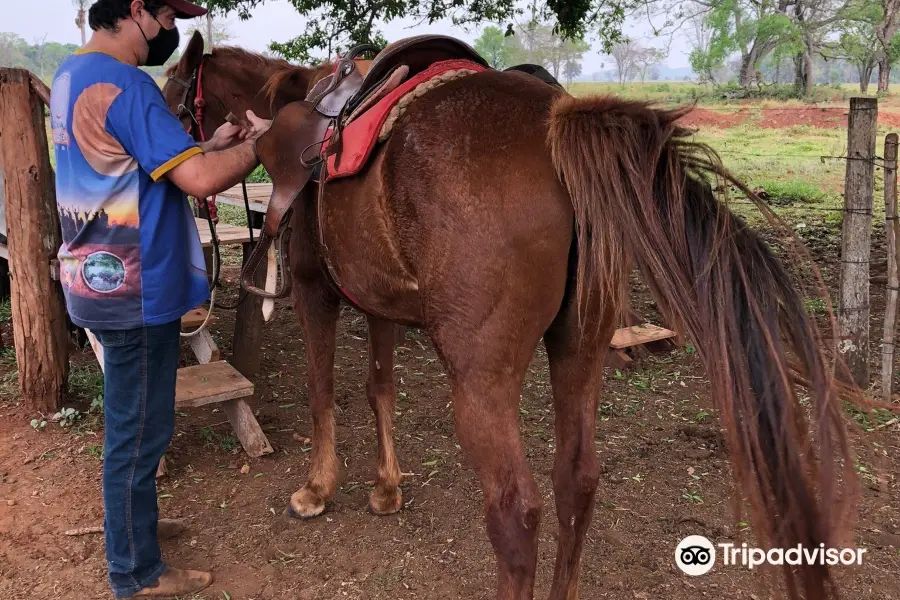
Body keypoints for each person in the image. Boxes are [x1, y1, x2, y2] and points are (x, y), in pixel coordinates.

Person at [49, 0, 272, 597]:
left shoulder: (73, 75)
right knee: (139, 434)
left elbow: (136, 162)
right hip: (136, 289)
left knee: (134, 428)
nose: (174, 31)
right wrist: (260, 147)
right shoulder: (128, 85)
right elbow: (198, 181)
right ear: (138, 10)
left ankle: (133, 531)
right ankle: (135, 572)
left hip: (99, 280)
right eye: (170, 16)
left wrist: (213, 140)